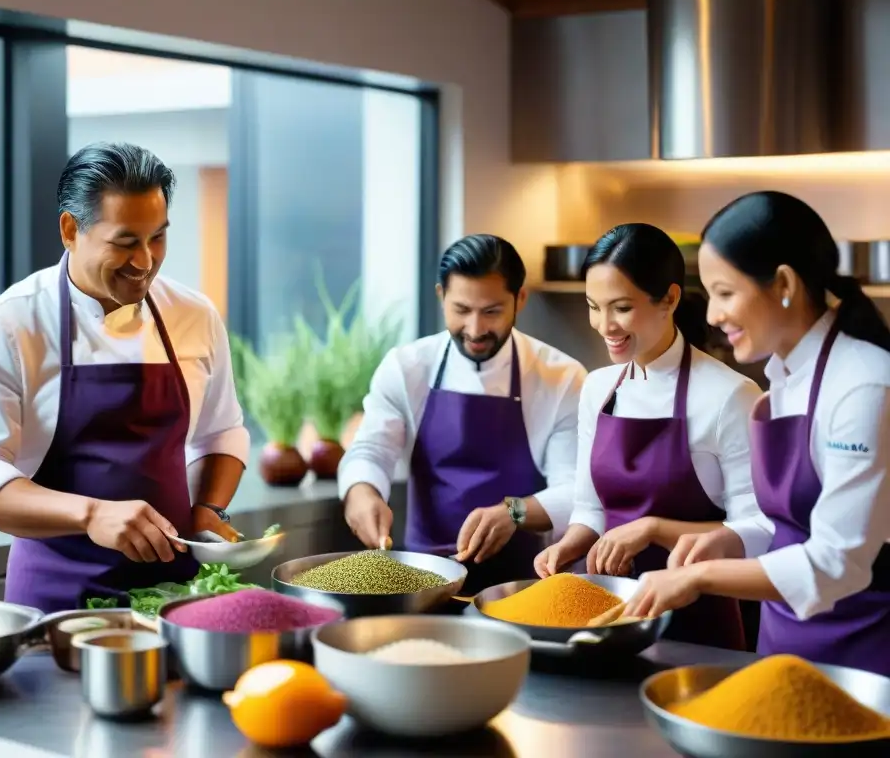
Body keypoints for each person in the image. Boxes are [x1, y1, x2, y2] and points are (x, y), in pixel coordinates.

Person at [0, 142, 250, 613]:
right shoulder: (6, 325)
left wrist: (208, 509)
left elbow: (221, 431)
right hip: (55, 604)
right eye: (125, 242)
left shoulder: (194, 315)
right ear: (70, 229)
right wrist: (92, 514)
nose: (146, 261)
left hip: (176, 599)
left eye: (158, 238)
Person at [624, 192, 890, 676]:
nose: (711, 315)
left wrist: (702, 577)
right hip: (783, 650)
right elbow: (788, 524)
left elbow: (837, 562)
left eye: (725, 293)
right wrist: (731, 540)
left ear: (784, 283)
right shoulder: (784, 378)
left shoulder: (865, 386)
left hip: (864, 657)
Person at [534, 224, 763, 650]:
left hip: (696, 627)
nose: (605, 325)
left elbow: (760, 529)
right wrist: (567, 546)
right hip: (606, 619)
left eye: (620, 307)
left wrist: (654, 529)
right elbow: (591, 508)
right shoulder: (598, 388)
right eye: (593, 306)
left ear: (670, 299)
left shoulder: (730, 397)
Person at [339, 234, 587, 594]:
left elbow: (576, 489)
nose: (474, 330)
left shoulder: (561, 378)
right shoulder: (406, 368)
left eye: (491, 312)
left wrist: (513, 512)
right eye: (461, 310)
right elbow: (370, 451)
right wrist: (361, 493)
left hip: (522, 586)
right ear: (441, 296)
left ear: (520, 299)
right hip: (423, 582)